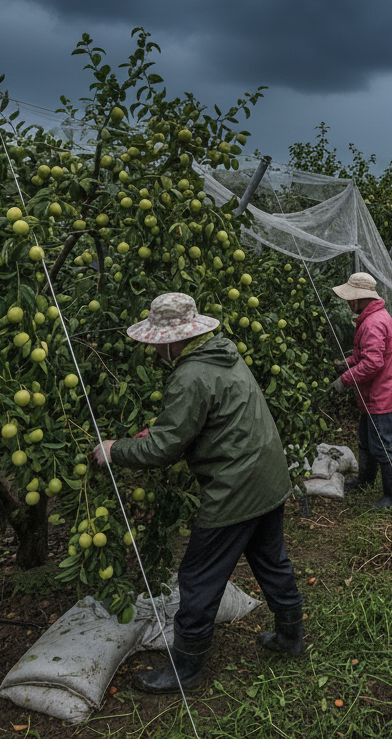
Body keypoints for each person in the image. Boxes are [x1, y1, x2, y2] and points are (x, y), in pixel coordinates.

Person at [91, 293, 303, 693]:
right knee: (270, 559)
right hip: (268, 477)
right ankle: (291, 635)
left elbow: (164, 449)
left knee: (199, 576)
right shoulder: (224, 355)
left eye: (157, 341)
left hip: (235, 487)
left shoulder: (189, 375)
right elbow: (210, 420)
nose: (153, 349)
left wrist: (114, 450)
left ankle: (184, 669)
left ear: (174, 339)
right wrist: (160, 433)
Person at [329, 271, 392, 509]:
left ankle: (391, 497)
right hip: (375, 393)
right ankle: (365, 479)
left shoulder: (373, 322)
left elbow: (373, 363)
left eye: (349, 298)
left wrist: (345, 378)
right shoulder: (372, 317)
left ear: (358, 298)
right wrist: (349, 362)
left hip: (382, 395)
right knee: (366, 440)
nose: (347, 302)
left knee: (381, 446)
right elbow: (367, 354)